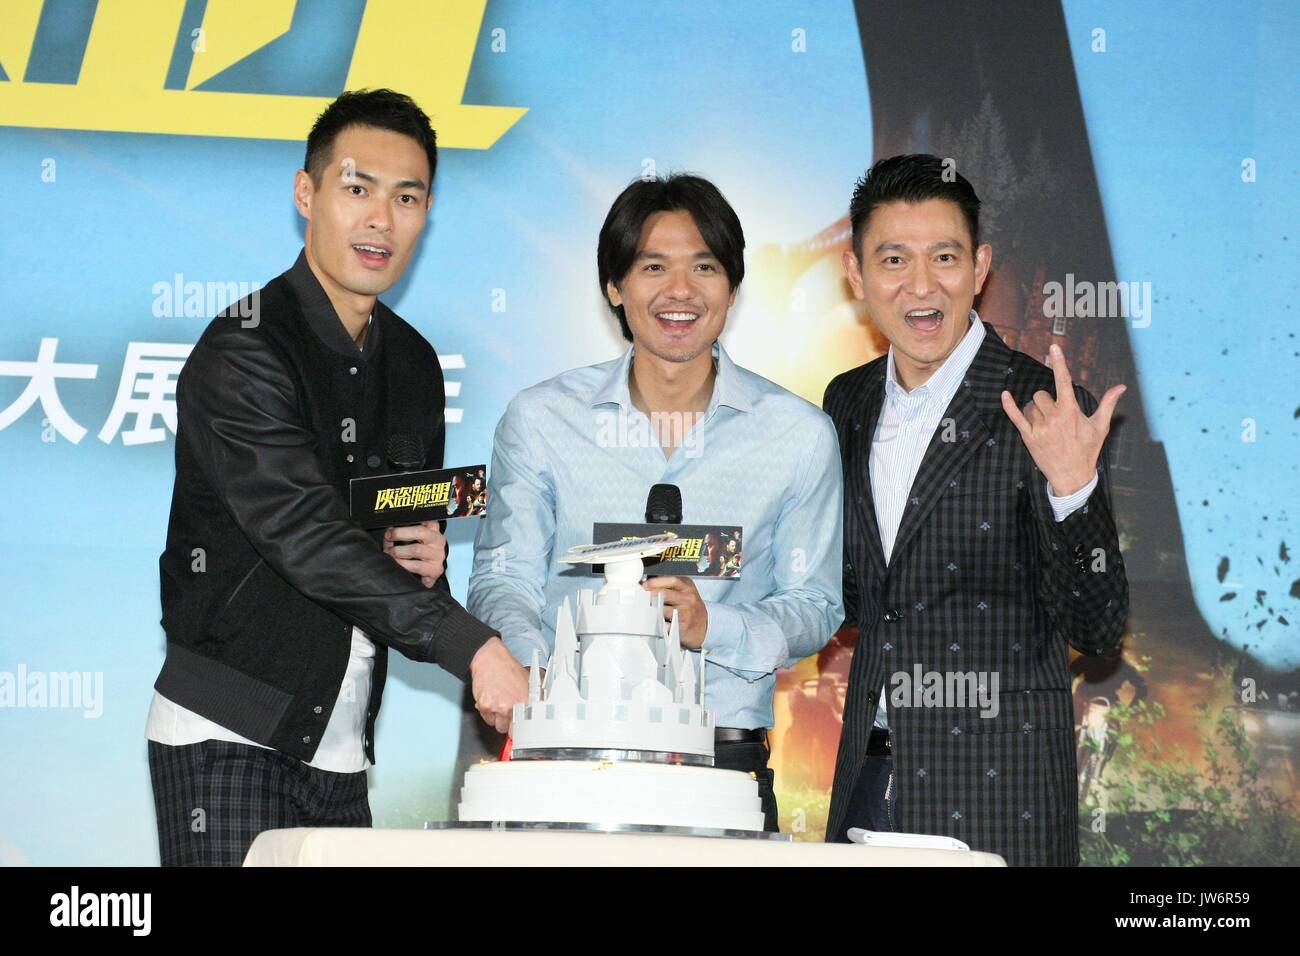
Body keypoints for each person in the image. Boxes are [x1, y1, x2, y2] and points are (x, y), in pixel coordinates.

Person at [147, 89, 527, 866]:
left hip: (344, 747)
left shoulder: (415, 365)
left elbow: (393, 543)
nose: (381, 219)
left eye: (407, 197)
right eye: (357, 189)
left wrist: (426, 568)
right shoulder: (244, 350)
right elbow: (306, 535)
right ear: (306, 193)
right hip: (228, 736)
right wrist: (472, 647)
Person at [468, 174, 844, 832]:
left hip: (723, 760)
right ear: (615, 287)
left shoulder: (797, 434)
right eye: (653, 267)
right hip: (565, 753)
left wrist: (710, 628)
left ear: (731, 286)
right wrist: (535, 678)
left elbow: (816, 605)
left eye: (704, 266)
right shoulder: (542, 420)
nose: (680, 291)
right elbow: (504, 576)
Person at [822, 154, 1129, 865]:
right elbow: (850, 593)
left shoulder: (1045, 406)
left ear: (981, 266)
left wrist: (1074, 493)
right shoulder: (848, 402)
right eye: (893, 258)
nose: (921, 285)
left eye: (946, 257)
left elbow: (1100, 626)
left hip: (999, 798)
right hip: (869, 776)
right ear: (856, 273)